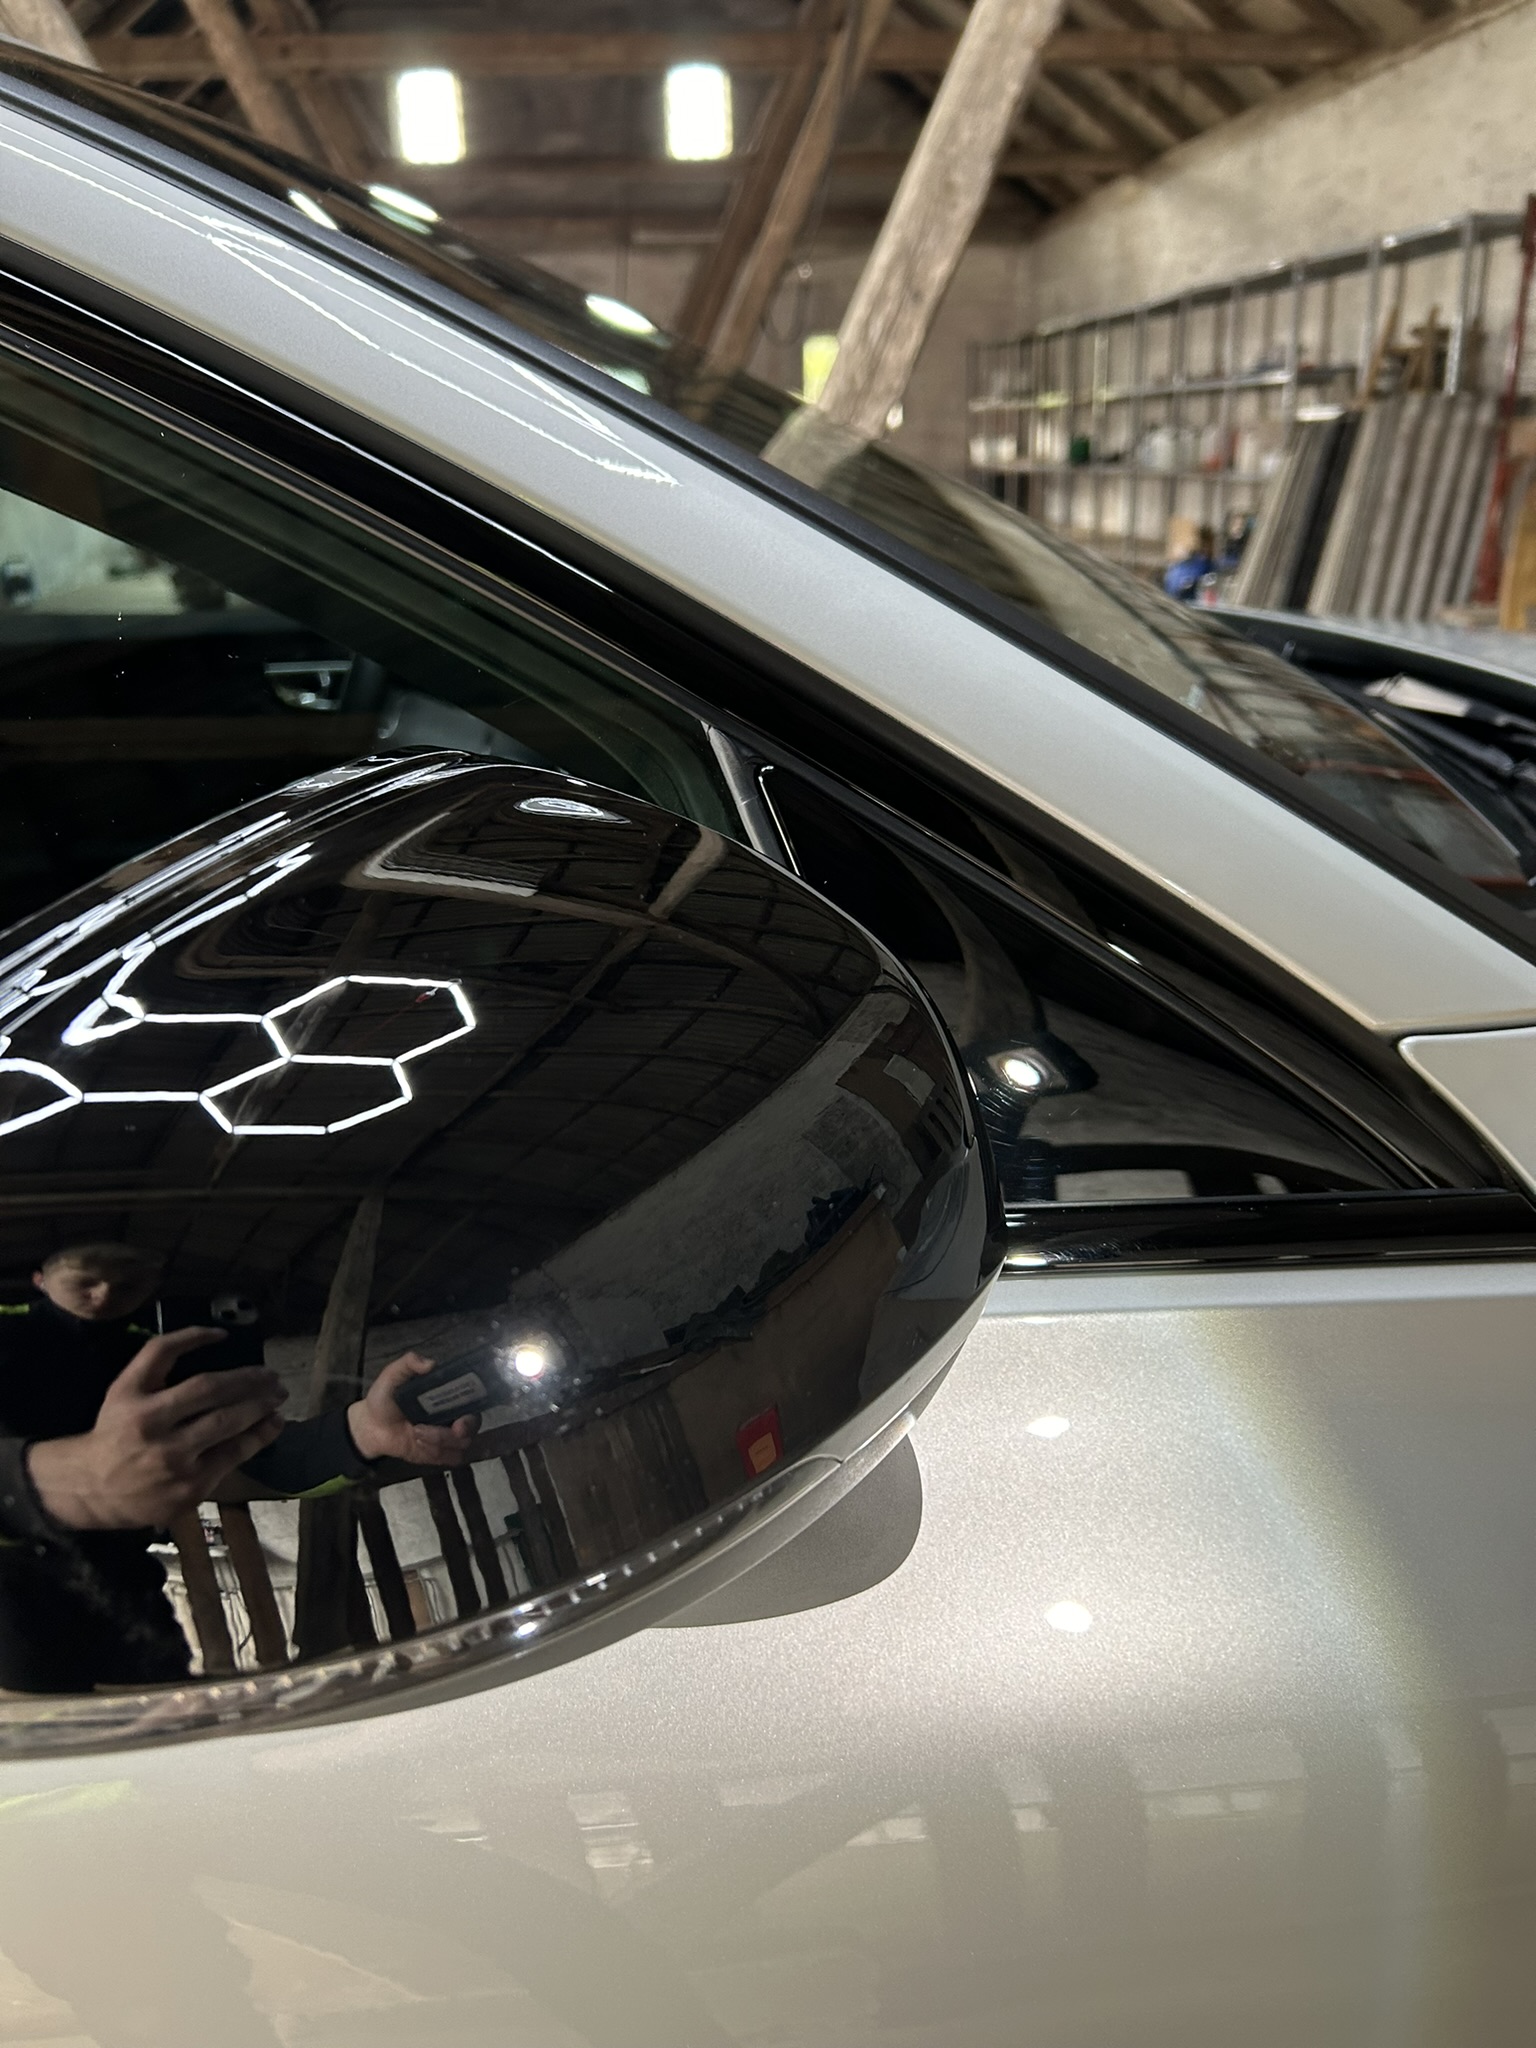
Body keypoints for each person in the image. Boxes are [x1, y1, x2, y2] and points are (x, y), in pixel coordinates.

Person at [0, 1242, 476, 1694]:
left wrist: (360, 1432)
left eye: (127, 1285)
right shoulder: (9, 1334)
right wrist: (61, 1481)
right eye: (85, 1280)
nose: (104, 1296)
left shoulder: (158, 1350)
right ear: (40, 1279)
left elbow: (246, 1460)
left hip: (128, 1608)